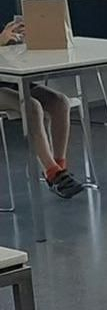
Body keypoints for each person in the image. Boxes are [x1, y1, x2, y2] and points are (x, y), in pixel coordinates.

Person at [0, 16, 86, 198]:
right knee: (31, 106)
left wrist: (17, 40)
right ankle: (53, 174)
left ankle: (59, 167)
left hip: (10, 79)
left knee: (60, 102)